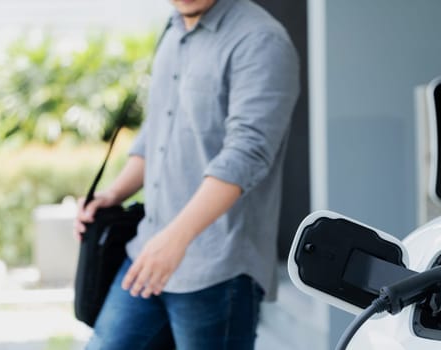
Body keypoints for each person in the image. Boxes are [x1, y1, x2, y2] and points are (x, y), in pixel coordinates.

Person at [74, 0, 300, 348]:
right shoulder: (174, 29)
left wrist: (176, 237)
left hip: (217, 269)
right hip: (148, 251)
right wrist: (112, 194)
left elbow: (247, 154)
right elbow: (158, 132)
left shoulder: (261, 40)